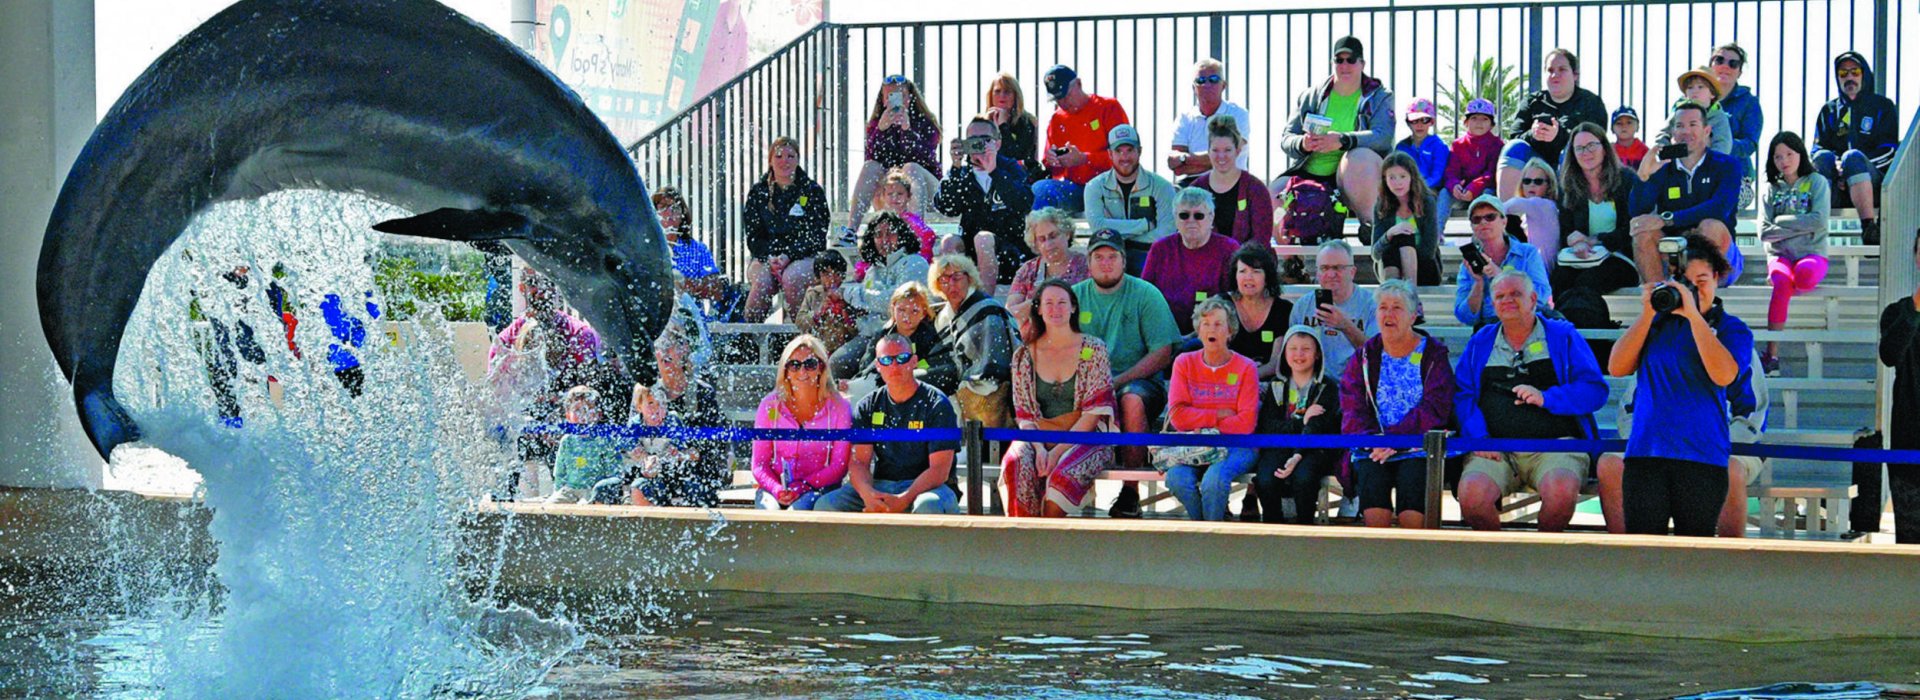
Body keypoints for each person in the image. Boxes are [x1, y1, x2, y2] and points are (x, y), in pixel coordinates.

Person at [1606, 235, 1752, 536]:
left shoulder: (1731, 328)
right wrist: (1647, 314)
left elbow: (1724, 375)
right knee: (1644, 553)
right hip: (1647, 453)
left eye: (1701, 280)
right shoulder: (1657, 322)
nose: (1694, 290)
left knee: (1694, 554)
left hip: (1701, 456)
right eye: (1686, 283)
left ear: (1716, 278)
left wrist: (1695, 318)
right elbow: (1617, 367)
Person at [1452, 272, 1608, 532]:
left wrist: (1548, 397)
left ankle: (1540, 561)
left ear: (1534, 298)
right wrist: (1479, 437)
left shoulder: (1562, 335)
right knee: (1472, 497)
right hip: (1495, 449)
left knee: (1560, 493)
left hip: (1557, 447)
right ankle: (1506, 563)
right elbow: (1463, 394)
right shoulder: (1481, 341)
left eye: (1515, 294)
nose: (1507, 300)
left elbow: (1595, 390)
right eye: (1500, 296)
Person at [1598, 346, 1769, 537]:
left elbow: (1753, 415)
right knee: (1611, 465)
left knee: (1728, 468)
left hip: (1727, 445)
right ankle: (1631, 557)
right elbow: (1630, 410)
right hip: (1659, 442)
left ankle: (1727, 559)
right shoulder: (1656, 346)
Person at [1073, 230, 1184, 517]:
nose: (1106, 263)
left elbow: (1162, 352)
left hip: (1140, 383)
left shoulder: (1146, 294)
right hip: (1085, 383)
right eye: (1099, 257)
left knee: (1131, 400)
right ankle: (1071, 483)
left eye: (1113, 257)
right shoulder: (1074, 297)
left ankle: (1130, 491)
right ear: (1089, 262)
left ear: (1124, 261)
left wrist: (1117, 381)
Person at [1341, 279, 1454, 529]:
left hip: (1418, 446)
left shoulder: (1434, 355)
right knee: (1374, 504)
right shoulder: (1364, 357)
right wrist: (1377, 441)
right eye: (1383, 308)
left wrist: (1396, 438)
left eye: (1397, 308)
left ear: (1413, 316)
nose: (1388, 314)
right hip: (1374, 447)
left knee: (1411, 509)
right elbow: (1353, 408)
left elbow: (1436, 408)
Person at [1003, 279, 1117, 517]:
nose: (1056, 309)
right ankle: (1022, 540)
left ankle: (1050, 543)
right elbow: (1024, 416)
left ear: (1073, 307)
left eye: (1062, 302)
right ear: (1039, 309)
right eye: (1049, 303)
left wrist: (1055, 452)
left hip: (1086, 436)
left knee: (1060, 479)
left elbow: (1093, 415)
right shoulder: (1024, 355)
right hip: (1038, 435)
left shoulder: (1094, 349)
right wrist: (1039, 449)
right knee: (1015, 464)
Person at [814, 333, 963, 514]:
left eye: (902, 358)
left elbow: (939, 470)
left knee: (927, 505)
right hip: (882, 485)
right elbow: (859, 463)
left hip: (929, 488)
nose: (894, 365)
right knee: (826, 505)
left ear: (914, 361)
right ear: (877, 365)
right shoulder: (868, 405)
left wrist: (905, 498)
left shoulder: (936, 404)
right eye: (886, 360)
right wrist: (868, 494)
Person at [1276, 36, 1393, 233]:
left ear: (1362, 64)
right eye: (1339, 60)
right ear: (1333, 63)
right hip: (1310, 173)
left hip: (1350, 177)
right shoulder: (1310, 96)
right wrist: (1303, 143)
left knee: (1360, 158)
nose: (1345, 65)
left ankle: (1371, 228)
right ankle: (1290, 256)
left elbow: (1383, 136)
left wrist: (1343, 140)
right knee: (1273, 197)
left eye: (1351, 60)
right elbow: (1287, 138)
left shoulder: (1379, 96)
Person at [1164, 297, 1262, 521]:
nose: (1212, 330)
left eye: (1218, 324)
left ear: (1230, 331)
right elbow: (1178, 417)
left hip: (1237, 446)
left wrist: (1199, 420)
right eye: (1206, 324)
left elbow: (1245, 424)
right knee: (1177, 479)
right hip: (1193, 445)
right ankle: (1203, 530)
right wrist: (1217, 415)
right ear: (1198, 330)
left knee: (1214, 480)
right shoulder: (1184, 363)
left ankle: (1211, 535)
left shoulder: (1246, 367)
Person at [1628, 103, 1742, 285]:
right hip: (1673, 254)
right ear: (1672, 133)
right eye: (1679, 126)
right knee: (1642, 229)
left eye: (1693, 124)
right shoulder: (1662, 167)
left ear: (1707, 130)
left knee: (1710, 226)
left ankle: (1700, 296)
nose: (1685, 131)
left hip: (1719, 257)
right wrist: (1643, 177)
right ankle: (1658, 299)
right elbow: (1637, 211)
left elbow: (1719, 208)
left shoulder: (1727, 165)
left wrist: (1668, 219)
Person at [1228, 243, 1296, 522]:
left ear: (1268, 275)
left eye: (1256, 271)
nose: (1248, 277)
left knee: (1266, 404)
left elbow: (1277, 363)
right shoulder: (1223, 304)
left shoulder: (1283, 309)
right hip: (1227, 381)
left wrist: (1249, 375)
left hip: (1266, 379)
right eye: (1242, 271)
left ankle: (1254, 491)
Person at [1250, 325, 1342, 524]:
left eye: (1306, 349)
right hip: (1280, 446)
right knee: (1266, 478)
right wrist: (1302, 421)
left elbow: (1318, 427)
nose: (1299, 354)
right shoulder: (1276, 385)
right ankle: (1272, 528)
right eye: (1293, 348)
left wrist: (1297, 453)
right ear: (1284, 353)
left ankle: (1304, 530)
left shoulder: (1327, 387)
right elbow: (1269, 425)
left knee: (1304, 477)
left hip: (1314, 449)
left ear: (1317, 354)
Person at [1758, 132, 1832, 376]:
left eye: (1789, 154)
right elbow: (1764, 233)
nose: (1784, 161)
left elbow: (1819, 220)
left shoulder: (1817, 182)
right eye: (1778, 156)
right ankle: (1772, 355)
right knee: (1781, 282)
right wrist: (1799, 224)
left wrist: (1782, 221)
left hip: (1811, 253)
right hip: (1779, 256)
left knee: (1804, 276)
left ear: (1800, 153)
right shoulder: (1770, 189)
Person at [751, 335, 853, 511]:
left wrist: (805, 485)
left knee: (797, 511)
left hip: (819, 489)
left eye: (810, 364)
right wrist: (777, 489)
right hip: (774, 488)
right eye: (794, 365)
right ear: (785, 370)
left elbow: (839, 466)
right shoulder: (769, 405)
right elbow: (759, 464)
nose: (802, 371)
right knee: (770, 513)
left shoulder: (839, 408)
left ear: (821, 367)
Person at [633, 321, 728, 507]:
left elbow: (713, 446)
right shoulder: (645, 391)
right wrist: (646, 459)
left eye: (670, 347)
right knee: (639, 488)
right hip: (655, 474)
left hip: (694, 475)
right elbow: (632, 438)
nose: (665, 354)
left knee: (697, 492)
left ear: (683, 350)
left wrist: (684, 454)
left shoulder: (702, 392)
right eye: (660, 348)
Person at [936, 116, 1036, 288]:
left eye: (985, 140)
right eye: (973, 140)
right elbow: (947, 207)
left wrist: (994, 171)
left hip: (1009, 252)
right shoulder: (962, 173)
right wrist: (955, 166)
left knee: (983, 239)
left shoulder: (1010, 168)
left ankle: (984, 303)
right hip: (972, 252)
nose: (979, 145)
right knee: (949, 242)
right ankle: (954, 300)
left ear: (997, 143)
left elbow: (1024, 203)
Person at [1811, 51, 1898, 245]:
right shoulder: (1829, 110)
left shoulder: (1882, 106)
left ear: (1864, 74)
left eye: (1854, 72)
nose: (1849, 77)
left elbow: (1889, 150)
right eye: (1843, 73)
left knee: (1853, 157)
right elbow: (1816, 150)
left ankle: (1869, 229)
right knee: (1823, 157)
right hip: (1838, 186)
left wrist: (1850, 167)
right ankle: (1815, 231)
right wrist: (1839, 169)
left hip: (1871, 184)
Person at [1552, 123, 1644, 300]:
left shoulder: (1627, 181)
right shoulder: (1568, 187)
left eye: (1591, 145)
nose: (1586, 152)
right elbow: (1566, 230)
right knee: (1560, 280)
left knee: (1587, 281)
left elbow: (1632, 229)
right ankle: (1563, 326)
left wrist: (1594, 240)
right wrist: (1575, 241)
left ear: (1605, 148)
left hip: (1619, 257)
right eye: (1579, 148)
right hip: (1581, 257)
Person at [742, 137, 831, 321]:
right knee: (763, 281)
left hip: (803, 255)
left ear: (798, 159)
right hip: (765, 256)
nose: (785, 161)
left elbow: (816, 236)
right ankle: (749, 337)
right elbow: (754, 236)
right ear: (770, 160)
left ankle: (798, 333)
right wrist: (771, 257)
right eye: (779, 156)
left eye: (791, 156)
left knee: (793, 278)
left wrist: (789, 255)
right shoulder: (759, 192)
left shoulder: (812, 191)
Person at [1500, 48, 1608, 198]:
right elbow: (1514, 136)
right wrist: (1533, 134)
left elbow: (1597, 142)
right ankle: (1509, 215)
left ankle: (1570, 214)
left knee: (1571, 151)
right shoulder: (1532, 102)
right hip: (1535, 168)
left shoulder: (1591, 103)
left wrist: (1558, 136)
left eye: (1562, 69)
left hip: (1572, 167)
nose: (1555, 75)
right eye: (1550, 70)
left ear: (1575, 75)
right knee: (1513, 148)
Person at [834, 212, 930, 377]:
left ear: (902, 235)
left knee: (867, 374)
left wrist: (848, 293)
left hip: (903, 336)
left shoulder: (915, 262)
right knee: (837, 364)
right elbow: (871, 302)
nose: (884, 239)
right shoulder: (873, 269)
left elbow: (892, 302)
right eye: (878, 234)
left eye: (890, 232)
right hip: (870, 335)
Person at [931, 254, 1016, 428]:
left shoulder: (987, 309)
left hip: (990, 387)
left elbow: (995, 360)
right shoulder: (943, 316)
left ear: (969, 279)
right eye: (944, 280)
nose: (951, 285)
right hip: (957, 379)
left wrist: (966, 384)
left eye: (957, 277)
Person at [1033, 64, 1132, 213]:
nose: (1063, 103)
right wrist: (1053, 160)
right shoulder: (1056, 119)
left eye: (1066, 95)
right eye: (1057, 99)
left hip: (1110, 188)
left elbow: (1126, 157)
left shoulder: (1108, 108)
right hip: (1077, 189)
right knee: (1041, 188)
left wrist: (1085, 159)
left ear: (1079, 84)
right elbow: (1048, 164)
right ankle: (1035, 235)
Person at [848, 75, 942, 229]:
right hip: (892, 193)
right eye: (890, 96)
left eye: (901, 96)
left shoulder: (925, 122)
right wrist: (881, 130)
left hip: (924, 192)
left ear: (909, 99)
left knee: (910, 167)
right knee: (870, 166)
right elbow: (873, 159)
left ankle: (915, 230)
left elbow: (923, 158)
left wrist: (907, 130)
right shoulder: (876, 125)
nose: (896, 101)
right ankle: (851, 231)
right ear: (884, 100)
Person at [1142, 187, 1240, 335]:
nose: (1191, 221)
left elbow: (1234, 300)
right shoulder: (1160, 249)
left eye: (1199, 216)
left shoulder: (1229, 249)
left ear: (1211, 217)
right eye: (1184, 215)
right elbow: (1145, 295)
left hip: (1212, 334)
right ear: (1175, 218)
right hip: (1164, 333)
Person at [835, 282, 959, 397]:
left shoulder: (931, 337)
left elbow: (944, 371)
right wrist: (851, 384)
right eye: (901, 310)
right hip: (885, 394)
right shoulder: (882, 338)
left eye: (914, 311)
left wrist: (907, 376)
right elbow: (867, 370)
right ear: (893, 309)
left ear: (924, 313)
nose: (907, 316)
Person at [1085, 124, 1178, 274]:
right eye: (1118, 151)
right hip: (1111, 254)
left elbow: (1166, 232)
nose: (1124, 157)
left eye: (1130, 150)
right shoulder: (1094, 187)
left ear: (1139, 151)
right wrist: (1145, 225)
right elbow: (1098, 227)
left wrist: (1125, 239)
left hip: (1148, 253)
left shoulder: (1162, 186)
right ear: (1110, 154)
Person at [1455, 195, 1552, 328]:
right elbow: (1465, 316)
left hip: (1527, 323)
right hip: (1490, 327)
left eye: (1490, 217)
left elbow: (1542, 294)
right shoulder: (1468, 265)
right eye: (1476, 219)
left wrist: (1500, 276)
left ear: (1504, 221)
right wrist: (1478, 284)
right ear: (1472, 226)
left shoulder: (1527, 253)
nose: (1483, 222)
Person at [1879, 237, 1920, 543]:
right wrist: (1916, 309)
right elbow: (1890, 355)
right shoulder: (1897, 312)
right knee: (1910, 546)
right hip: (1909, 441)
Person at [1287, 239, 1376, 377]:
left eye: (1338, 268)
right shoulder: (1303, 306)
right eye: (1324, 268)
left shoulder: (1371, 305)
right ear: (1317, 273)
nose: (1330, 274)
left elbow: (1375, 355)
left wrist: (1345, 325)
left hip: (1355, 383)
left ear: (1352, 272)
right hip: (1315, 383)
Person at [654, 187, 739, 318]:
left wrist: (685, 284)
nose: (670, 212)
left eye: (675, 207)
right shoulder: (648, 249)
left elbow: (716, 290)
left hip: (690, 317)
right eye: (663, 207)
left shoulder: (697, 249)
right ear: (653, 213)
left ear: (683, 214)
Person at [1189, 114, 1273, 247]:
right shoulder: (1195, 190)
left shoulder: (1256, 189)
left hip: (1247, 263)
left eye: (1227, 150)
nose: (1221, 156)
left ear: (1238, 151)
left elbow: (1261, 238)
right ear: (1208, 152)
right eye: (1215, 150)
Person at [1639, 67, 1734, 180]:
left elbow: (1723, 144)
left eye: (1700, 87)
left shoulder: (1719, 117)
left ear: (1712, 94)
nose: (1695, 91)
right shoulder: (1679, 112)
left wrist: (1710, 164)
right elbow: (1664, 133)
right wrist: (1663, 151)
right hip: (1679, 166)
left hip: (1708, 169)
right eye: (1690, 88)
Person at [1169, 58, 1253, 176]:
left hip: (1232, 182)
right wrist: (1217, 159)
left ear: (1223, 85)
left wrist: (1185, 159)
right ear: (1194, 88)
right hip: (1193, 185)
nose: (1207, 85)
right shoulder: (1185, 118)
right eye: (1201, 80)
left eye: (1213, 79)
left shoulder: (1238, 114)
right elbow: (1175, 167)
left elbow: (1230, 156)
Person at [1006, 208, 1091, 323]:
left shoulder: (1087, 267)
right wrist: (1036, 303)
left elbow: (1092, 313)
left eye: (1053, 236)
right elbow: (1010, 313)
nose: (1048, 244)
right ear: (1035, 243)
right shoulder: (1028, 270)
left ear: (1067, 233)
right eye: (1042, 239)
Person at [1373, 151, 1443, 286]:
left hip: (1424, 267)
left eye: (1402, 176)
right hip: (1390, 268)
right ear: (1384, 179)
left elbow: (1429, 251)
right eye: (1391, 178)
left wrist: (1406, 251)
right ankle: (1393, 293)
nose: (1397, 183)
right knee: (1395, 238)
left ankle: (1409, 291)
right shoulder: (1381, 206)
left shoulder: (1427, 202)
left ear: (1412, 177)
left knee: (1405, 236)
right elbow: (1375, 254)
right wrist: (1389, 234)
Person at [546, 386, 626, 504]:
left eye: (589, 409)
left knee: (583, 507)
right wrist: (557, 491)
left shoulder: (604, 440)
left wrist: (606, 490)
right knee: (550, 506)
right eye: (577, 410)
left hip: (592, 489)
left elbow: (614, 471)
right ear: (568, 416)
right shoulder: (567, 441)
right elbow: (560, 472)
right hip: (570, 489)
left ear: (598, 415)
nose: (584, 415)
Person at [1708, 43, 1763, 186]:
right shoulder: (1690, 99)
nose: (1725, 66)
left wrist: (1718, 145)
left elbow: (1749, 144)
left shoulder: (1749, 103)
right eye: (1719, 60)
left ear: (1739, 72)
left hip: (1735, 174)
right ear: (1711, 65)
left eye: (1733, 63)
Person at [1440, 98, 1503, 215]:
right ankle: (1436, 232)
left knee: (1488, 195)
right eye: (1474, 118)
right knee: (1444, 193)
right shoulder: (1458, 145)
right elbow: (1451, 171)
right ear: (1466, 122)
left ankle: (1485, 232)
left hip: (1484, 191)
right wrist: (1454, 185)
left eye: (1484, 119)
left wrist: (1474, 187)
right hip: (1461, 193)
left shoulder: (1497, 145)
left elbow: (1491, 173)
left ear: (1491, 124)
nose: (1479, 123)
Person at [795, 250, 861, 355]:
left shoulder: (849, 294)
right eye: (826, 274)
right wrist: (818, 313)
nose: (832, 279)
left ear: (843, 275)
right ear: (818, 277)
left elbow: (858, 329)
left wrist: (846, 314)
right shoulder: (814, 294)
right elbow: (800, 321)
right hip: (818, 345)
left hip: (845, 348)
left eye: (837, 273)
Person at [983, 72, 1044, 182]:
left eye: (1007, 92)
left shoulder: (1027, 122)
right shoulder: (982, 123)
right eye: (997, 91)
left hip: (1018, 178)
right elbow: (973, 158)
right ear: (991, 95)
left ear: (1015, 96)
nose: (1002, 95)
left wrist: (1003, 126)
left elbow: (1015, 156)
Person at [1505, 157, 1565, 265]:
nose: (1531, 185)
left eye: (1538, 181)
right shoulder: (1530, 211)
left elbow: (1512, 205)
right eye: (1527, 181)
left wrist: (1488, 211)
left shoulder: (1545, 206)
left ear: (1549, 186)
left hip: (1545, 274)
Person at [871, 167, 939, 261]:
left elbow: (928, 236)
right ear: (883, 196)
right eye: (890, 194)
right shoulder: (880, 221)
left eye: (900, 194)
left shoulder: (912, 221)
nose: (895, 198)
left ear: (909, 196)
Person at [1396, 97, 1449, 190]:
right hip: (1405, 190)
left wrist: (1418, 188)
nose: (1419, 125)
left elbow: (1437, 175)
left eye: (1424, 120)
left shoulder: (1438, 146)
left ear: (1432, 122)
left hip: (1431, 191)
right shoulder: (1401, 147)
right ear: (1408, 123)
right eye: (1414, 120)